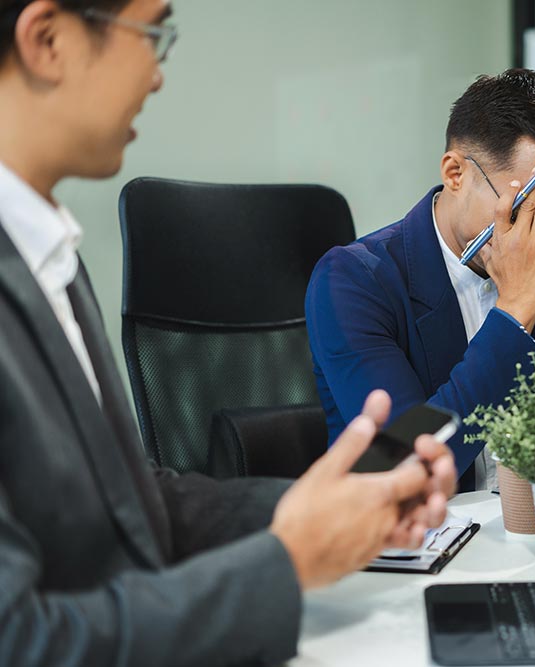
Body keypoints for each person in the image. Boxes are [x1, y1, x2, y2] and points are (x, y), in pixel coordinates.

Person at [0, 1, 455, 665]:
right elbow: (21, 642)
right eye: (153, 32)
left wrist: (321, 506)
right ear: (47, 39)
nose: (157, 75)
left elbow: (134, 503)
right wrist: (287, 560)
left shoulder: (48, 255)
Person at [306, 68, 535, 489]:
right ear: (456, 173)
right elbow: (408, 464)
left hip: (529, 536)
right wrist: (514, 311)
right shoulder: (353, 281)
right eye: (525, 209)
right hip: (415, 539)